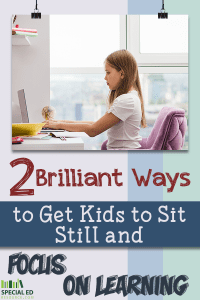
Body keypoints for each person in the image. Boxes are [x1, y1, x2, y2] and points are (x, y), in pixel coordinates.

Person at [44, 49, 147, 149]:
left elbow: (93, 130)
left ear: (122, 74)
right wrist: (60, 123)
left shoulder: (127, 100)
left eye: (108, 72)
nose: (105, 77)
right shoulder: (130, 98)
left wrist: (60, 125)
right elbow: (95, 124)